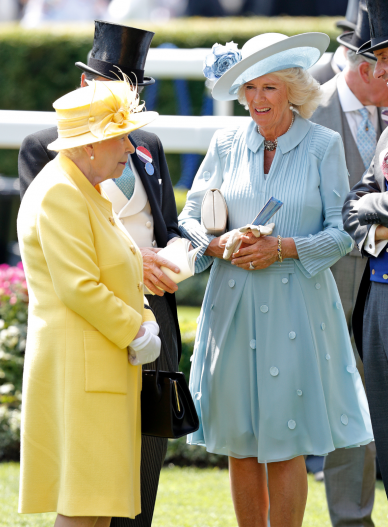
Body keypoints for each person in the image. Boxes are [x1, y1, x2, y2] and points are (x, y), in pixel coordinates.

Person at [180, 32, 373, 527]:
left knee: (286, 444)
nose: (257, 99)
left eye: (268, 88)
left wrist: (283, 248)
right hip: (234, 307)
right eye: (249, 88)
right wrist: (218, 245)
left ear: (291, 89)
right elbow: (191, 218)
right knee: (241, 445)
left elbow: (343, 233)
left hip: (298, 309)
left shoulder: (323, 146)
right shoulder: (224, 143)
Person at [18, 24, 182, 525]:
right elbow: (79, 285)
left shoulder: (83, 184)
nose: (130, 149)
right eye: (119, 139)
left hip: (103, 367)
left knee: (103, 508)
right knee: (86, 509)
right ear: (90, 145)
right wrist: (137, 329)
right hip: (85, 369)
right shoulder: (63, 192)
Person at [309, 2, 388, 523]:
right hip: (330, 284)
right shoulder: (308, 110)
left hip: (383, 287)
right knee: (344, 407)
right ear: (367, 69)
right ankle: (353, 519)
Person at [343, 0, 388, 503]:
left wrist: (375, 203)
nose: (379, 69)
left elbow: (367, 199)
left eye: (387, 57)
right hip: (377, 304)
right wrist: (380, 222)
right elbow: (354, 207)